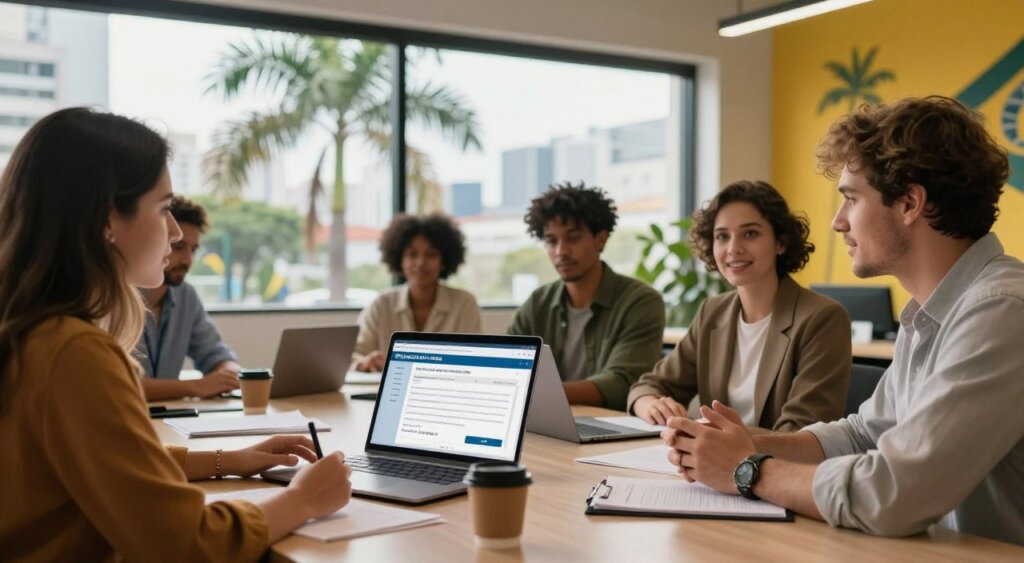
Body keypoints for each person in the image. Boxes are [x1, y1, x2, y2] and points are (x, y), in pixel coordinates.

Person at [663, 96, 1024, 545]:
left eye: (851, 199)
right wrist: (746, 445)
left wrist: (747, 470)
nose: (837, 222)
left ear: (910, 203)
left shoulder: (1003, 310)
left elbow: (893, 494)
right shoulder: (931, 315)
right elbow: (861, 434)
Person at [0, 107, 352, 561]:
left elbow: (111, 466)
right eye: (164, 209)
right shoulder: (74, 351)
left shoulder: (30, 332)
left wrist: (230, 459)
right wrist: (302, 500)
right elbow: (185, 545)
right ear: (107, 219)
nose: (172, 234)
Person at [628, 181, 851, 431]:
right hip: (711, 463)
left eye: (750, 234)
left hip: (777, 466)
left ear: (781, 242)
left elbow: (803, 431)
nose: (733, 249)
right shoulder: (712, 312)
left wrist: (723, 442)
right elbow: (650, 385)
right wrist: (648, 403)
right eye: (722, 236)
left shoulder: (823, 318)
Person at [508, 182, 665, 411]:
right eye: (551, 241)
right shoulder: (537, 303)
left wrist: (532, 392)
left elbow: (623, 383)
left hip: (613, 425)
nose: (561, 251)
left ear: (600, 238)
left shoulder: (640, 301)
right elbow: (510, 371)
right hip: (547, 421)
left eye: (572, 238)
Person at [138, 195, 241, 401]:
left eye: (193, 249)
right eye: (178, 247)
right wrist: (195, 387)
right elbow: (121, 384)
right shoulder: (116, 299)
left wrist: (228, 373)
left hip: (170, 423)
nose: (188, 260)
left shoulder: (186, 296)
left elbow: (216, 355)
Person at [353, 213, 482, 372]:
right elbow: (353, 354)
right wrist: (365, 362)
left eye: (431, 254)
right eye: (412, 254)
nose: (421, 262)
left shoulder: (464, 303)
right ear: (400, 259)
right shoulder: (382, 304)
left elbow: (475, 360)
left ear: (444, 261)